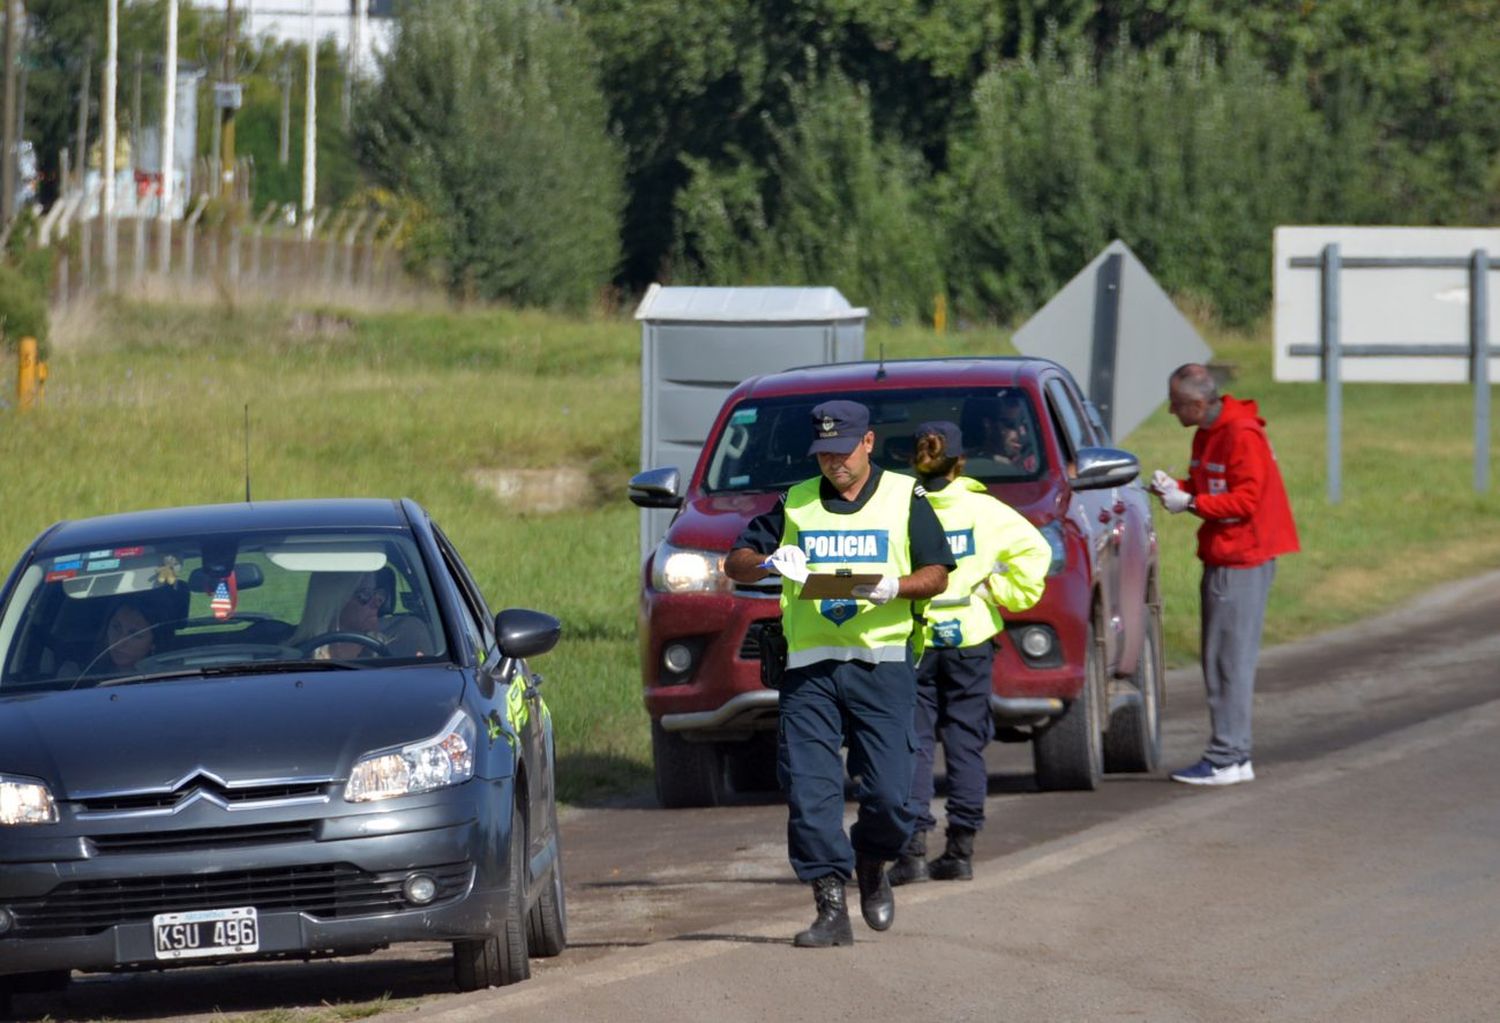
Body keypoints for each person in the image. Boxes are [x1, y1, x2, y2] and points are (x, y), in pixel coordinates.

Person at [724, 400, 954, 948]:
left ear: (868, 443)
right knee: (809, 792)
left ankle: (873, 861)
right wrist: (766, 563)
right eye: (824, 454)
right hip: (811, 671)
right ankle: (830, 906)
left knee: (893, 799)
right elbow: (735, 558)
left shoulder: (905, 496)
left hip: (883, 664)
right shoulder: (797, 500)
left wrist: (896, 586)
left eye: (843, 451)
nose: (834, 463)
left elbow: (938, 573)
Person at [887, 421, 1051, 886]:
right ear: (961, 462)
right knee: (965, 741)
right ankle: (960, 850)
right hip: (972, 636)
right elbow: (1035, 553)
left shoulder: (900, 508)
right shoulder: (986, 510)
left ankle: (912, 850)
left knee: (913, 743)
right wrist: (1000, 589)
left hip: (913, 635)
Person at [1151, 363, 1300, 786]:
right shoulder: (1208, 432)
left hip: (1243, 558)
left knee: (1229, 661)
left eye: (1177, 404)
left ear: (1198, 404)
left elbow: (1246, 499)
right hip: (1224, 555)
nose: (1171, 412)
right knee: (1220, 659)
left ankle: (1229, 756)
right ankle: (1230, 753)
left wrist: (1191, 504)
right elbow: (1207, 485)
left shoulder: (1240, 434)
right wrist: (1175, 489)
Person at [289, 571, 398, 660]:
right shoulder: (294, 658)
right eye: (365, 594)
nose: (377, 602)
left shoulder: (391, 651)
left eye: (379, 593)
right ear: (332, 601)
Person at [974, 393, 1039, 472]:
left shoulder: (1036, 463)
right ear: (989, 425)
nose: (1022, 433)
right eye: (1011, 425)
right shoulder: (970, 465)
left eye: (1026, 425)